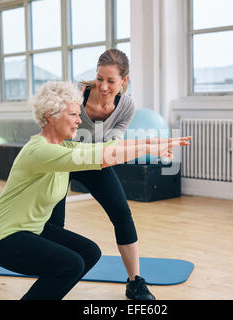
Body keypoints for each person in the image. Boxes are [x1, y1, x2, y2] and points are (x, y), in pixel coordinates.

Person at [0, 80, 190, 300]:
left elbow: (106, 148)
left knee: (89, 253)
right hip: (3, 238)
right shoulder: (40, 151)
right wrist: (149, 148)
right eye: (73, 115)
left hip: (31, 229)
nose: (79, 121)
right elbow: (100, 157)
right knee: (70, 264)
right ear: (51, 116)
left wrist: (151, 143)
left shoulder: (63, 145)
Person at [48, 48, 155, 300]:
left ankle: (135, 282)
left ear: (124, 81)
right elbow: (50, 130)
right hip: (62, 160)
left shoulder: (126, 107)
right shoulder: (74, 95)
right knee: (54, 224)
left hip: (95, 161)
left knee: (122, 214)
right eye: (99, 78)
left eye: (111, 80)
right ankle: (52, 275)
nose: (104, 86)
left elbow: (112, 147)